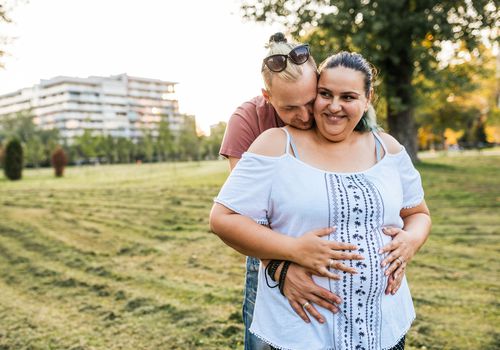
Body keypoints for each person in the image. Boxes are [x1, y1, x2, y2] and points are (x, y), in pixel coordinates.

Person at [211, 51, 431, 349]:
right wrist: (291, 254)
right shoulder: (275, 144)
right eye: (325, 94)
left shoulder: (388, 148)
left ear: (368, 99)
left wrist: (411, 241)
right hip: (303, 332)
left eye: (349, 97)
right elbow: (224, 218)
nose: (334, 106)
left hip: (384, 326)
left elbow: (418, 213)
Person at [220, 33, 367, 350]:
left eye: (309, 102)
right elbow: (247, 214)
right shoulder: (247, 120)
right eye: (289, 108)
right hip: (267, 246)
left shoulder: (330, 110)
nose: (304, 117)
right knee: (263, 338)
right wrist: (281, 267)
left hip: (326, 243)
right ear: (267, 96)